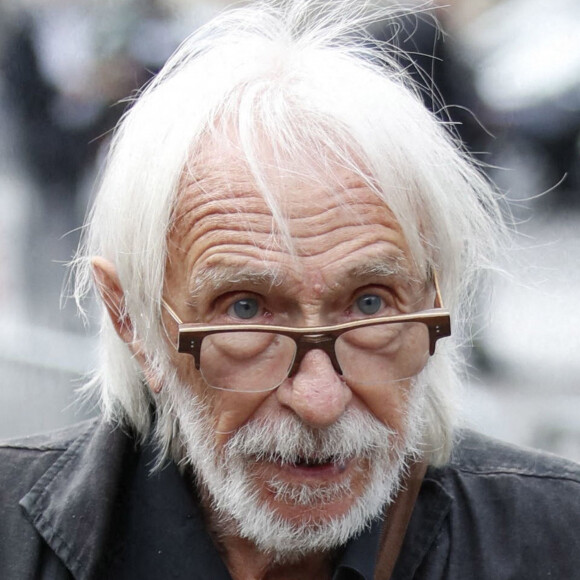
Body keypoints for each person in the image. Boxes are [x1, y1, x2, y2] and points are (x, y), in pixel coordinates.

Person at [1, 2, 579, 578]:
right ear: (132, 321)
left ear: (435, 298)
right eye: (245, 310)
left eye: (370, 303)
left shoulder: (556, 542)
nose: (320, 402)